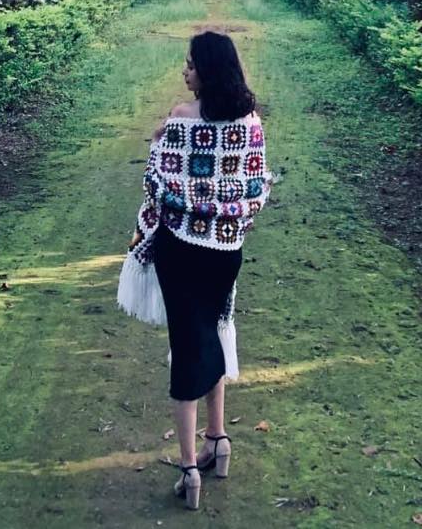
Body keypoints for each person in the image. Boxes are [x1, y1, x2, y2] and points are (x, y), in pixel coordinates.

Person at [127, 30, 272, 510]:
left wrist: (155, 143)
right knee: (214, 331)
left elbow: (156, 184)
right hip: (227, 250)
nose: (183, 71)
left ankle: (189, 466)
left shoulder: (179, 120)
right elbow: (255, 190)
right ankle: (218, 440)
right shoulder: (250, 123)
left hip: (181, 249)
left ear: (206, 71)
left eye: (190, 64)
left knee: (187, 347)